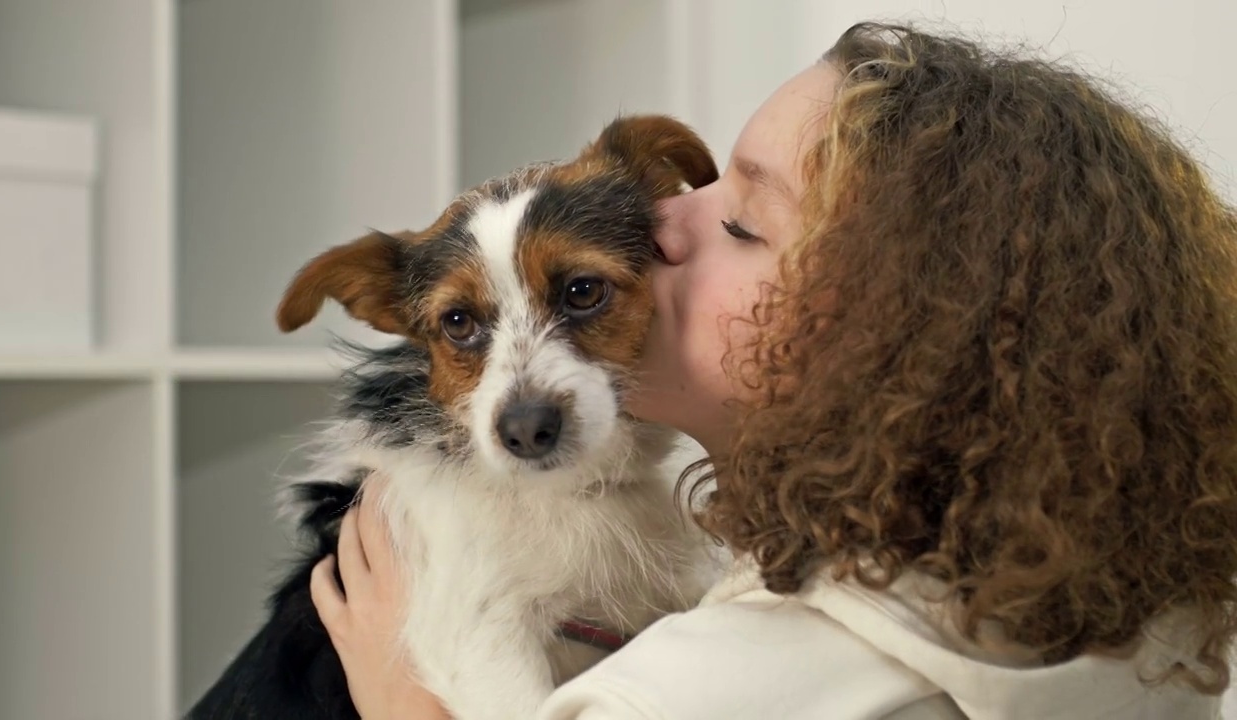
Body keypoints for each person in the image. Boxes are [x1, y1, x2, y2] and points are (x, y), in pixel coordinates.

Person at [308, 21, 1237, 719]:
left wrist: (405, 709)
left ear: (891, 338)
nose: (663, 222)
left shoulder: (703, 695)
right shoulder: (1138, 623)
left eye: (745, 222)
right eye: (706, 185)